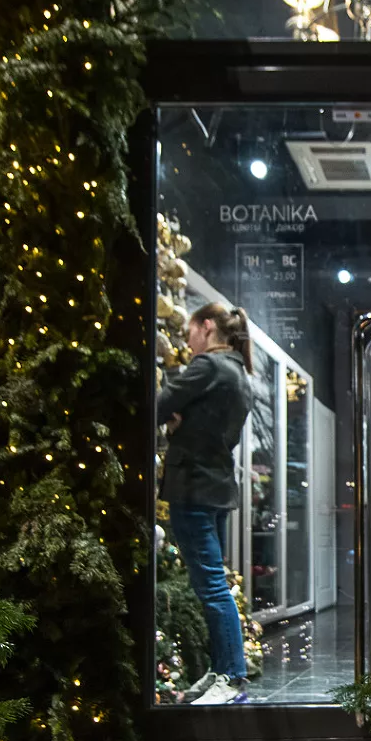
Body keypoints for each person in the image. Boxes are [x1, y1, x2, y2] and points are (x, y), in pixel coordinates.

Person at [159, 302, 255, 704]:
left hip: (193, 488)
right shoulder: (239, 373)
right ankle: (221, 670)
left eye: (190, 333)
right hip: (215, 487)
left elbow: (158, 405)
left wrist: (172, 419)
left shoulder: (209, 366)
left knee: (211, 586)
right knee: (214, 584)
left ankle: (230, 676)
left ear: (207, 326)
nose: (188, 342)